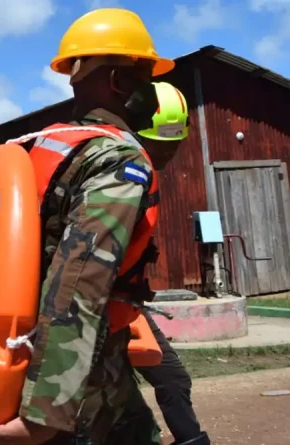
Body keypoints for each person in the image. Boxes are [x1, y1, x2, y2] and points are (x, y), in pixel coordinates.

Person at [0, 8, 176, 445]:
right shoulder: (117, 161)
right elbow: (81, 281)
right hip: (72, 372)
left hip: (16, 349)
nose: (152, 92)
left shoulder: (37, 147)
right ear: (119, 82)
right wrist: (46, 411)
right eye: (145, 77)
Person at [113, 82, 210, 445]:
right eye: (162, 143)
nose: (169, 152)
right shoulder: (120, 174)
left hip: (128, 305)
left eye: (175, 142)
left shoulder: (144, 177)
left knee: (172, 378)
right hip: (97, 311)